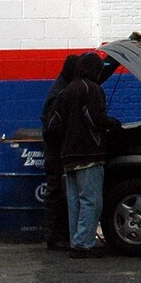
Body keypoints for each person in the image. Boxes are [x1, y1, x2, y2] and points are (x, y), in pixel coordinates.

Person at [52, 53, 119, 257]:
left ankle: (77, 241)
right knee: (91, 201)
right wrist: (113, 124)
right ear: (94, 70)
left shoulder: (66, 90)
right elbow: (94, 119)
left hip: (67, 156)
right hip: (89, 154)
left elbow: (54, 124)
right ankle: (83, 244)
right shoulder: (92, 89)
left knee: (74, 202)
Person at [39, 54, 84, 250]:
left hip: (57, 152)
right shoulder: (60, 94)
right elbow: (51, 129)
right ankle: (55, 236)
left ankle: (58, 235)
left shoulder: (63, 87)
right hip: (56, 153)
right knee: (57, 194)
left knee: (59, 194)